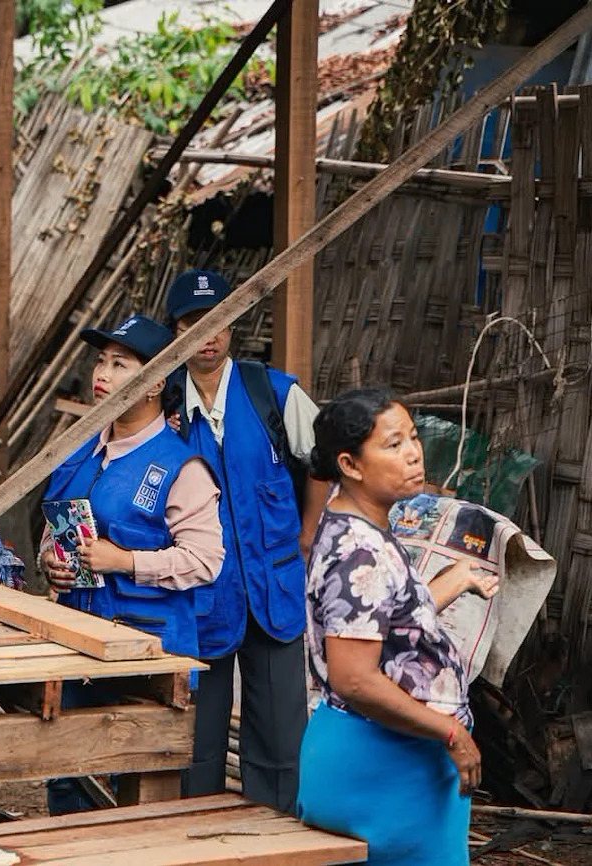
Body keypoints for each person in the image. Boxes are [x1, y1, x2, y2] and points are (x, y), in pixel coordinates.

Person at [297, 388, 498, 864]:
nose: (413, 453)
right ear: (350, 465)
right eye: (392, 445)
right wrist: (452, 733)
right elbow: (355, 678)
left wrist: (454, 581)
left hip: (383, 758)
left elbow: (380, 616)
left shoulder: (353, 525)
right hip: (385, 765)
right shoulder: (358, 552)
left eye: (412, 437)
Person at [40, 313, 225, 813]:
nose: (102, 373)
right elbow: (54, 523)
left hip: (148, 653)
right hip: (77, 642)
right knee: (67, 780)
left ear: (156, 382)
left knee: (133, 790)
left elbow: (206, 561)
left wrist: (124, 561)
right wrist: (51, 562)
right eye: (101, 362)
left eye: (120, 364)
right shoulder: (80, 451)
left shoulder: (181, 466)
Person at [163, 269, 331, 813]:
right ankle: (199, 843)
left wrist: (307, 536)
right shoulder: (162, 405)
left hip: (274, 589)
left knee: (283, 742)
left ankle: (276, 842)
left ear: (233, 325)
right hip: (197, 597)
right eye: (194, 323)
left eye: (218, 322)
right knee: (196, 746)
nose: (207, 334)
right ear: (176, 330)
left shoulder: (271, 391)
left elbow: (325, 461)